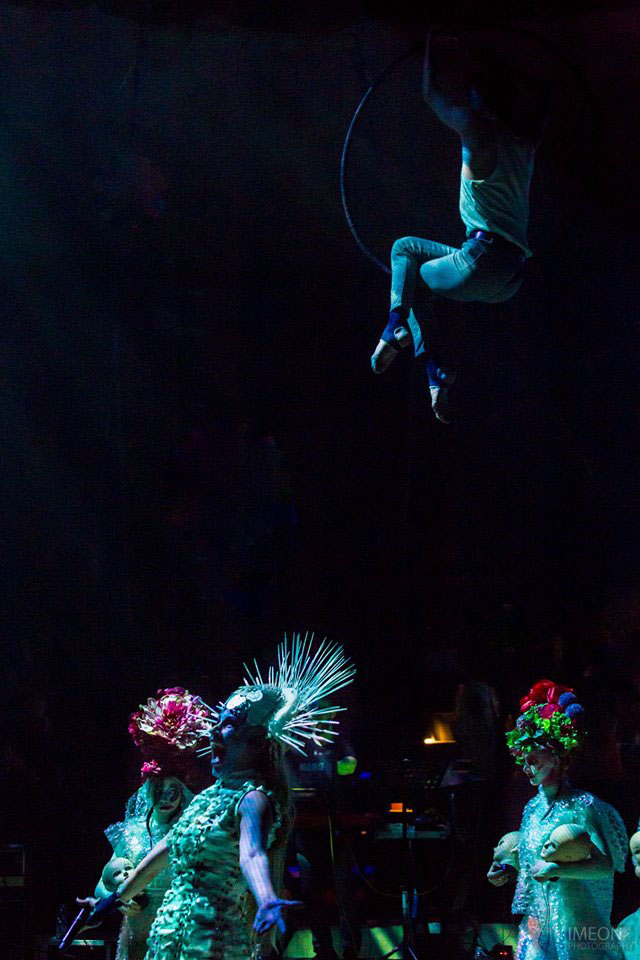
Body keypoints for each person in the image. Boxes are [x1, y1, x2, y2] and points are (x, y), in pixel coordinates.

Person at [80, 633, 356, 960]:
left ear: (255, 743)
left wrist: (266, 899)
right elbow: (156, 861)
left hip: (214, 945)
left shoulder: (252, 799)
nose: (213, 731)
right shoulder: (206, 799)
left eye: (227, 725)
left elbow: (252, 854)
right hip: (170, 944)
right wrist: (111, 901)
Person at [371, 29, 548, 422]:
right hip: (511, 277)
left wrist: (427, 45)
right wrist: (508, 65)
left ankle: (397, 328)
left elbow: (432, 96)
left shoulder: (476, 129)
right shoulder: (524, 143)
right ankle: (434, 372)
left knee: (406, 260)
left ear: (479, 99)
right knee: (410, 254)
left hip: (482, 262)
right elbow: (544, 98)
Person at [487, 678, 627, 960]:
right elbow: (532, 862)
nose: (526, 768)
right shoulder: (532, 808)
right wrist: (506, 870)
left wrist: (557, 869)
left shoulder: (582, 806)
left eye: (534, 761)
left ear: (556, 757)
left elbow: (604, 866)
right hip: (540, 925)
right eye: (524, 760)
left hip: (575, 923)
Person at [93, 687, 214, 960]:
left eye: (174, 790)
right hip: (138, 936)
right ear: (147, 789)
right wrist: (117, 899)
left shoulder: (191, 832)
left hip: (182, 933)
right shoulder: (133, 834)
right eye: (159, 789)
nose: (166, 798)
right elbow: (102, 884)